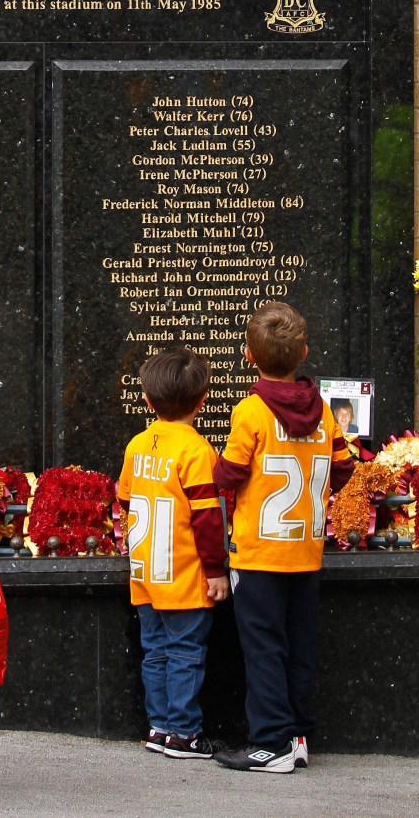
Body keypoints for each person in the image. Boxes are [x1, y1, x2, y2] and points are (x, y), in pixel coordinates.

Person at [211, 303, 353, 773]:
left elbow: (228, 474)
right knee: (298, 645)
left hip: (258, 553)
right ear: (304, 353)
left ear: (249, 356)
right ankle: (296, 736)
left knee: (264, 647)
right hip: (305, 551)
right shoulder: (325, 414)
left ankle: (270, 742)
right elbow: (345, 467)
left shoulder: (250, 412)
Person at [116, 347, 229, 759]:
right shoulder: (198, 452)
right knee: (185, 652)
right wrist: (216, 570)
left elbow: (126, 500)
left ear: (146, 400)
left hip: (146, 574)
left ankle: (159, 726)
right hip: (183, 575)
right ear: (203, 399)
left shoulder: (137, 445)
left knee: (156, 651)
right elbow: (207, 519)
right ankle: (184, 733)